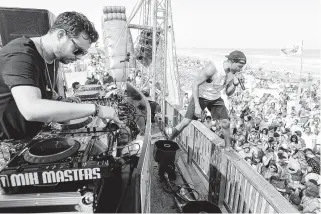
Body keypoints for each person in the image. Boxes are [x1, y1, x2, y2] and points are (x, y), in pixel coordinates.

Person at [0, 11, 121, 140]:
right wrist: (96, 109)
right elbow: (31, 109)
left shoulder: (53, 57)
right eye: (77, 50)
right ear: (61, 35)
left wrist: (59, 100)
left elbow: (41, 87)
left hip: (32, 138)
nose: (79, 57)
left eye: (83, 53)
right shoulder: (21, 55)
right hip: (8, 145)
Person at [168, 51, 247, 150]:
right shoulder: (213, 68)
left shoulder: (232, 73)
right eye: (240, 66)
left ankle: (228, 147)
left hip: (215, 97)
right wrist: (197, 106)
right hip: (201, 95)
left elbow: (228, 92)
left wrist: (235, 84)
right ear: (232, 61)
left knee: (225, 123)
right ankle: (169, 140)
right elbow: (195, 84)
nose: (241, 69)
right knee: (186, 121)